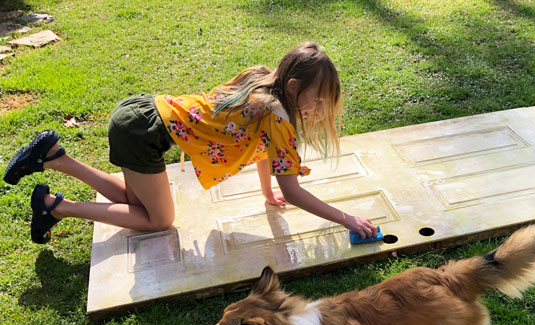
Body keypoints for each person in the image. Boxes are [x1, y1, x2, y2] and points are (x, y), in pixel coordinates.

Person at [4, 42, 377, 244]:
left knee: (137, 204)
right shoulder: (278, 115)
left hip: (139, 114)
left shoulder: (264, 81)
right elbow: (293, 190)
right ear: (294, 87)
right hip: (143, 132)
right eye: (319, 100)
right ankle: (57, 208)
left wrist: (266, 192)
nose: (320, 109)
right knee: (158, 219)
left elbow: (263, 148)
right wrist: (346, 218)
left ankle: (55, 157)